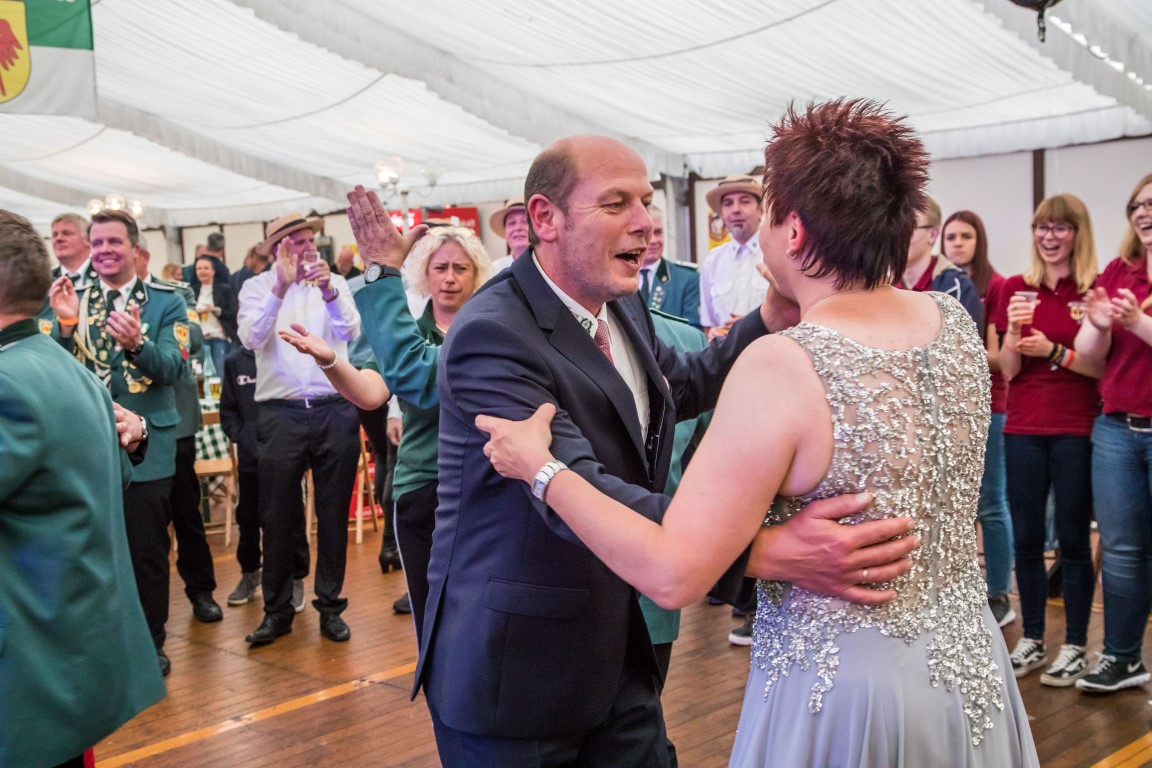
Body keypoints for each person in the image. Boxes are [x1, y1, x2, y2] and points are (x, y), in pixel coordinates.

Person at [477, 102, 1039, 766]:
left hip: (846, 690)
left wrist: (542, 469)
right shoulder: (950, 321)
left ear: (793, 231)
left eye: (768, 208)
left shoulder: (784, 364)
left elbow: (674, 572)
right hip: (971, 668)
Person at [350, 129, 920, 766]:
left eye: (646, 202)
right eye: (616, 203)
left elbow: (680, 384)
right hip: (517, 674)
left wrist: (767, 321)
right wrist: (760, 551)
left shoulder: (618, 303)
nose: (645, 223)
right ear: (546, 218)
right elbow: (577, 484)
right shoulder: (493, 334)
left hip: (616, 650)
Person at [0, 209, 166, 768]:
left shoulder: (7, 383)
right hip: (70, 655)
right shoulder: (61, 363)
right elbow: (117, 473)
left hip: (29, 666)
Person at [286, 225, 493, 637]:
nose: (450, 278)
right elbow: (369, 394)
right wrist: (330, 361)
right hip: (423, 484)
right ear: (425, 274)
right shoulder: (405, 336)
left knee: (482, 610)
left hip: (484, 485)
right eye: (440, 268)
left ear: (476, 275)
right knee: (430, 612)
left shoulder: (492, 332)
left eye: (460, 268)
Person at [47, 208, 190, 677]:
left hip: (148, 449)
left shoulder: (166, 300)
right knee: (92, 552)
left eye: (114, 242)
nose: (105, 250)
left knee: (147, 551)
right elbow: (51, 367)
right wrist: (65, 327)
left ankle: (150, 643)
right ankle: (102, 643)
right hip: (86, 444)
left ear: (134, 249)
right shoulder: (70, 297)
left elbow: (174, 368)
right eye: (98, 242)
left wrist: (137, 346)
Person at [237, 213, 361, 646]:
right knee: (276, 516)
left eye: (311, 240)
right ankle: (277, 611)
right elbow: (251, 339)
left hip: (333, 408)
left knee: (333, 514)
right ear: (277, 250)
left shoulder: (335, 283)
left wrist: (329, 292)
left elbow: (351, 330)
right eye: (297, 242)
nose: (308, 248)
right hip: (280, 413)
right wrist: (279, 288)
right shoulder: (256, 287)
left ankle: (331, 606)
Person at [995, 193, 1101, 687]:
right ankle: (1033, 637)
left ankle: (1076, 644)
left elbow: (1101, 368)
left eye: (1060, 228)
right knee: (1028, 538)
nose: (1049, 237)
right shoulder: (1016, 288)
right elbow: (1010, 370)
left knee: (1075, 540)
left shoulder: (1094, 291)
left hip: (1077, 428)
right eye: (1042, 227)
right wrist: (1015, 331)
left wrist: (1055, 351)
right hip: (1023, 427)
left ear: (1077, 233)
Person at [1074, 172, 1152, 693]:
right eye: (1137, 206)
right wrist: (1100, 324)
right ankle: (1123, 658)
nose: (1143, 213)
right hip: (1117, 428)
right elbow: (1088, 353)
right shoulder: (1120, 272)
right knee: (1121, 550)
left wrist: (1138, 323)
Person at [136, 236, 223, 624]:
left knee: (186, 512)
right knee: (142, 524)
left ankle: (201, 591)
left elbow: (196, 339)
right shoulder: (97, 300)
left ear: (142, 255)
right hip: (126, 426)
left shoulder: (175, 293)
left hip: (175, 423)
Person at [942, 210, 1015, 627]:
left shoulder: (997, 286)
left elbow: (999, 358)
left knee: (991, 503)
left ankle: (1000, 592)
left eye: (966, 236)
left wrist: (952, 350)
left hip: (990, 407)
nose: (957, 243)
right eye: (951, 236)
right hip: (947, 410)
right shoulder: (939, 284)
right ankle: (962, 588)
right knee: (954, 505)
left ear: (979, 241)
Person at [698, 175, 769, 339]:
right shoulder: (712, 262)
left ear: (761, 209)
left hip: (768, 350)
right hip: (725, 353)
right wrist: (712, 334)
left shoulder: (776, 255)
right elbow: (708, 325)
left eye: (745, 201)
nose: (736, 209)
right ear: (722, 213)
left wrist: (752, 327)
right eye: (728, 203)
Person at [897, 196, 982, 325]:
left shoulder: (957, 286)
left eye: (907, 228)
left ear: (933, 234)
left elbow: (967, 337)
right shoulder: (883, 283)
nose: (897, 237)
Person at [639, 207, 700, 328]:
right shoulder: (619, 278)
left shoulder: (687, 279)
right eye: (647, 234)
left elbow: (694, 332)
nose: (654, 240)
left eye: (658, 232)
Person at [193, 253, 238, 377]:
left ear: (213, 271)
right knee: (201, 376)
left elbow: (234, 313)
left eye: (206, 268)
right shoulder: (192, 291)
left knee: (220, 375)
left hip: (219, 338)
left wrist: (215, 310)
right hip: (200, 340)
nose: (202, 271)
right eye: (199, 268)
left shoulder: (225, 290)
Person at [489, 197, 530, 271]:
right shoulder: (494, 270)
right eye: (512, 223)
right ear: (505, 230)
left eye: (525, 221)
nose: (518, 227)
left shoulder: (549, 267)